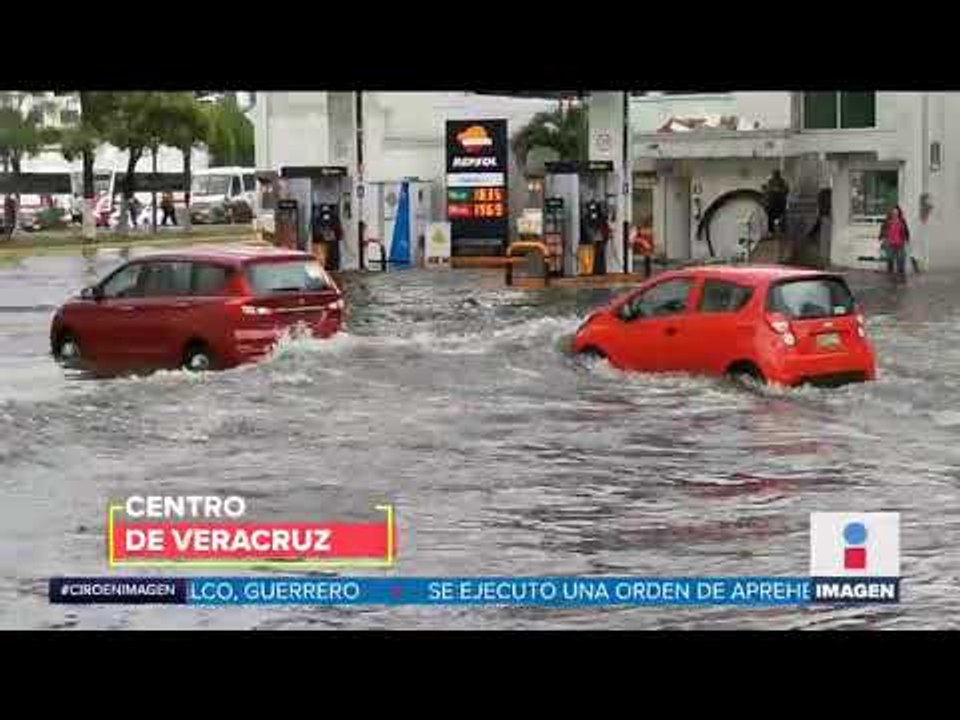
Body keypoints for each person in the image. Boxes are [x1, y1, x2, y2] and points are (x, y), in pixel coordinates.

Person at [879, 205, 910, 281]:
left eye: (896, 212)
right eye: (893, 212)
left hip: (900, 243)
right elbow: (883, 229)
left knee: (901, 260)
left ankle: (901, 276)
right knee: (890, 260)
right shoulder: (888, 221)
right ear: (891, 213)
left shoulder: (902, 220)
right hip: (890, 244)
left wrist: (907, 239)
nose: (895, 213)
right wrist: (881, 237)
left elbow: (906, 230)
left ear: (899, 212)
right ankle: (890, 277)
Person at [763, 169, 789, 235]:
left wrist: (779, 191)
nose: (775, 175)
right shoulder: (770, 181)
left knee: (782, 217)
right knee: (770, 217)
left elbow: (786, 190)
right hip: (772, 202)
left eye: (776, 174)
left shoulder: (782, 181)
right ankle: (771, 231)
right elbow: (766, 191)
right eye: (774, 174)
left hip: (780, 202)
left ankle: (781, 229)